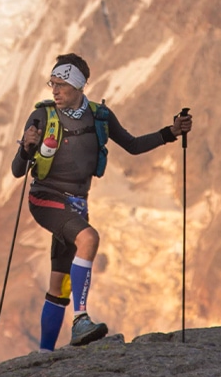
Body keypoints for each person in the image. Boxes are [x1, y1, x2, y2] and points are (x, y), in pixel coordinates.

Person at [11, 53, 193, 350]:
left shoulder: (100, 117)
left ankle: (43, 355)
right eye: (52, 84)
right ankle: (80, 319)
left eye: (61, 85)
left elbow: (132, 145)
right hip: (45, 198)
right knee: (89, 238)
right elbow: (18, 171)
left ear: (79, 86)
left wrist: (171, 132)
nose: (54, 90)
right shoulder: (41, 117)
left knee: (59, 283)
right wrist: (26, 149)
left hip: (77, 204)